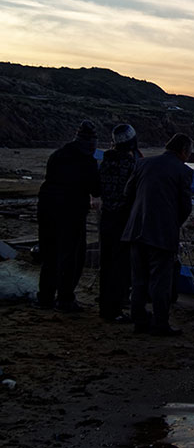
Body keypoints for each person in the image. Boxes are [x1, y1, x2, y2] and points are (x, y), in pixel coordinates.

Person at [122, 133, 193, 336]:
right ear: (183, 151)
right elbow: (185, 207)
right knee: (160, 280)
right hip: (162, 234)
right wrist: (172, 224)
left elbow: (128, 193)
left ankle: (139, 320)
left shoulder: (143, 164)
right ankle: (160, 323)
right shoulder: (183, 171)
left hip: (136, 230)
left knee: (138, 279)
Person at [36, 120, 101, 312]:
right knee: (70, 256)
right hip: (70, 211)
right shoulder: (87, 161)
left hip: (47, 207)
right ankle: (65, 299)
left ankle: (45, 297)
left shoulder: (58, 154)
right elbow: (95, 188)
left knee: (49, 253)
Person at [97, 123, 143, 322]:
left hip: (106, 216)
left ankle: (106, 303)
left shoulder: (105, 161)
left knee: (106, 262)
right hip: (124, 218)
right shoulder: (131, 164)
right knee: (120, 264)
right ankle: (114, 309)